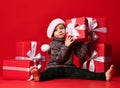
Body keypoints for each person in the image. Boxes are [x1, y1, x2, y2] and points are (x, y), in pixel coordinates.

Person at [30, 18, 115, 82]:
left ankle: (104, 76)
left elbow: (81, 55)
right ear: (53, 34)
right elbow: (58, 60)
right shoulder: (53, 44)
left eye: (61, 28)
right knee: (49, 73)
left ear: (66, 29)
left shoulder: (71, 40)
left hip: (69, 68)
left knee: (83, 73)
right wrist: (66, 46)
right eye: (56, 30)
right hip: (55, 67)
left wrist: (85, 44)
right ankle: (38, 76)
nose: (59, 31)